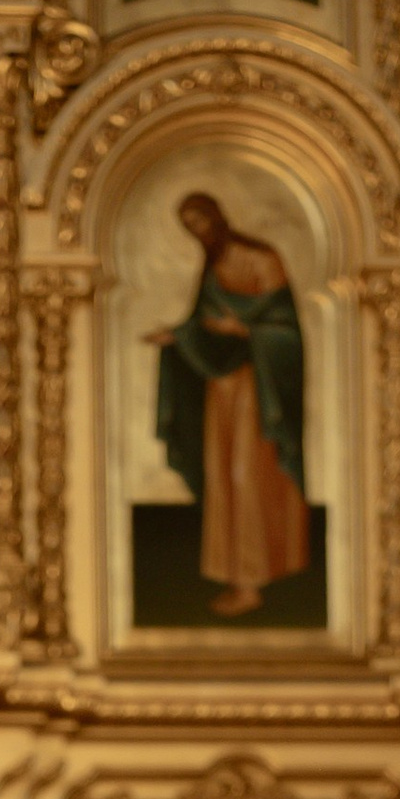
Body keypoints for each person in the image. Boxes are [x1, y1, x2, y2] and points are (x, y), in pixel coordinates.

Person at [148, 190, 308, 619]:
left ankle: (253, 582)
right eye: (189, 227)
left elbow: (285, 330)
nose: (197, 233)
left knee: (248, 477)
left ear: (216, 218)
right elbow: (204, 322)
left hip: (259, 391)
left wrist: (243, 330)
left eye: (199, 222)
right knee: (224, 476)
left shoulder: (260, 258)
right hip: (223, 389)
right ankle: (236, 577)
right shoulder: (213, 263)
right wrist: (177, 336)